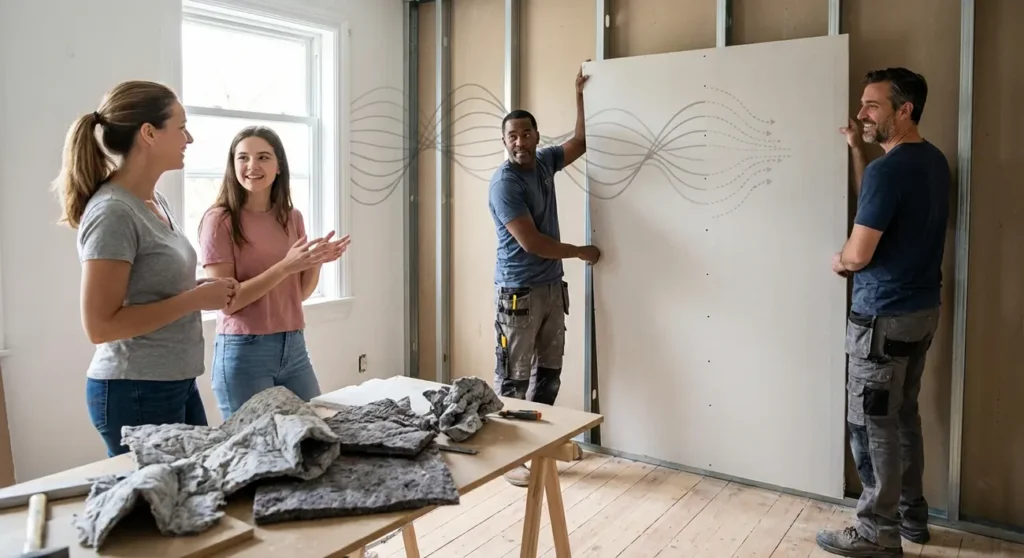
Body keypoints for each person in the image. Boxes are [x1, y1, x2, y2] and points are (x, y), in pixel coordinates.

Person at [53, 80, 239, 457]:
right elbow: (101, 326)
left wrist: (198, 293)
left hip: (173, 381)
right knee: (161, 511)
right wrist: (193, 300)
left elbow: (155, 288)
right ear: (149, 133)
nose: (189, 138)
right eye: (181, 126)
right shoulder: (113, 213)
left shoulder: (154, 201)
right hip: (135, 389)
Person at [817, 68, 950, 557]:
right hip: (920, 313)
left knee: (870, 426)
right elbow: (874, 207)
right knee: (902, 418)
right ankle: (912, 517)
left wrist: (840, 260)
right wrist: (858, 150)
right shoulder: (931, 161)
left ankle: (876, 532)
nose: (861, 113)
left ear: (904, 110)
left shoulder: (888, 172)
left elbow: (858, 252)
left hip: (881, 320)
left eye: (871, 105)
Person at [488, 63, 601, 486]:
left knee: (549, 374)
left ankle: (537, 448)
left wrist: (581, 98)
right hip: (518, 292)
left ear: (537, 136)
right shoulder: (505, 185)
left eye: (526, 133)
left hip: (551, 288)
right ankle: (508, 457)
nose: (520, 141)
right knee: (513, 378)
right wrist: (580, 252)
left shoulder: (543, 163)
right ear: (505, 142)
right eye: (512, 136)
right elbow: (532, 243)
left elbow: (581, 142)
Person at [198, 126, 349, 420]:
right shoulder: (219, 221)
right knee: (256, 452)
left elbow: (298, 293)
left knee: (315, 435)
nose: (252, 166)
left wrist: (315, 260)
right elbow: (227, 302)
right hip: (245, 351)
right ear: (233, 166)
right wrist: (285, 266)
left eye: (263, 157)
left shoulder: (292, 217)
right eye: (243, 158)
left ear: (279, 166)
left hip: (293, 346)